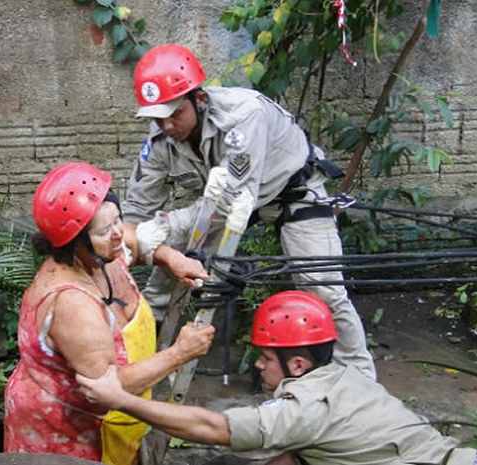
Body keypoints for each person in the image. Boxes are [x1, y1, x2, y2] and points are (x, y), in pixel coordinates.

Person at [121, 43, 376, 381]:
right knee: (163, 282)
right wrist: (135, 244)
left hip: (291, 194)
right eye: (157, 116)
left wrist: (161, 230)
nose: (166, 126)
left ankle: (360, 379)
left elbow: (230, 201)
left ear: (198, 99)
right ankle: (136, 367)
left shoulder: (243, 116)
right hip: (219, 207)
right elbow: (136, 212)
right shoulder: (159, 139)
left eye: (174, 113)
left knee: (324, 286)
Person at [77, 290, 477, 465]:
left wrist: (123, 399)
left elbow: (213, 427)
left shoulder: (305, 409)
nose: (258, 367)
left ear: (298, 365)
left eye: (265, 358)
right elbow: (293, 457)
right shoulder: (346, 377)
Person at [3, 162, 215, 465]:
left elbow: (132, 238)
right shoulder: (72, 305)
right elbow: (105, 389)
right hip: (68, 430)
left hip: (112, 422)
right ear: (75, 241)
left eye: (117, 219)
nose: (118, 233)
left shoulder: (100, 253)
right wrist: (179, 354)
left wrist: (171, 257)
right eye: (105, 230)